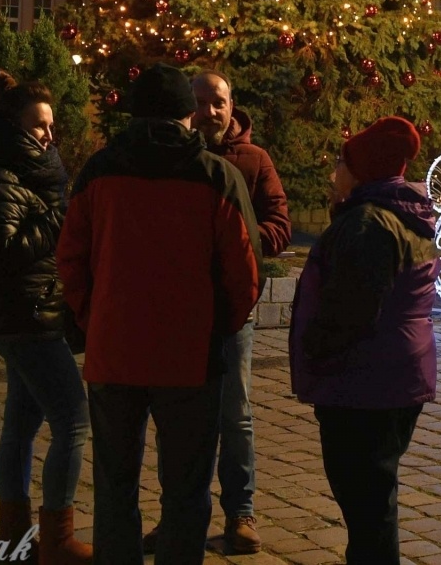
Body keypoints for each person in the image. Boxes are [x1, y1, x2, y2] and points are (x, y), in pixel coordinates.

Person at [57, 65, 260, 565]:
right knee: (186, 488)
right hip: (188, 358)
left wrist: (92, 317)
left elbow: (70, 258)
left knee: (115, 484)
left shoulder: (99, 172)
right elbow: (244, 274)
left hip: (114, 352)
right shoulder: (217, 176)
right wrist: (218, 327)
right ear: (187, 113)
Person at [138, 72, 291, 556]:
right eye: (200, 103)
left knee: (234, 413)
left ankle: (240, 513)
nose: (209, 112)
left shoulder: (254, 160)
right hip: (180, 307)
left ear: (232, 105)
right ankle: (177, 515)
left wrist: (236, 245)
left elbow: (279, 225)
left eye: (218, 102)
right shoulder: (173, 160)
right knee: (176, 416)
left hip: (231, 307)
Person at [290, 116, 438, 565]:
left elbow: (351, 309)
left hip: (363, 384)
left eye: (341, 163)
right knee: (373, 501)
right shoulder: (404, 214)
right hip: (393, 377)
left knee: (367, 507)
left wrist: (315, 349)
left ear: (362, 171)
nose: (334, 172)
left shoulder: (368, 224)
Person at [0, 74, 91, 565]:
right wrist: (58, 217)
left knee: (21, 422)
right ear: (14, 126)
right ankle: (57, 539)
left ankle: (12, 536)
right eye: (40, 127)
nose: (49, 137)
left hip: (32, 312)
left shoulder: (29, 172)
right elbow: (1, 253)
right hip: (26, 315)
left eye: (51, 127)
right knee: (73, 421)